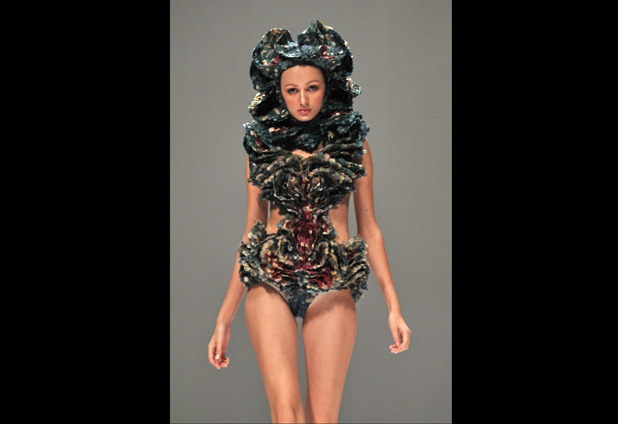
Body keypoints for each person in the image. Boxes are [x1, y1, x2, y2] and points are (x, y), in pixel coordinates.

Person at [208, 21, 411, 423]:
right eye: (292, 90)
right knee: (286, 414)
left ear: (328, 86)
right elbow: (251, 232)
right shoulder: (262, 144)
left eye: (312, 88)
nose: (302, 100)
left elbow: (369, 228)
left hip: (331, 283)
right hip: (269, 278)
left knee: (322, 419)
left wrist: (394, 306)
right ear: (278, 91)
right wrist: (223, 319)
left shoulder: (352, 142)